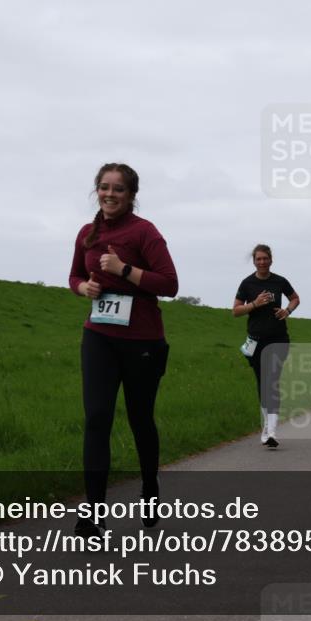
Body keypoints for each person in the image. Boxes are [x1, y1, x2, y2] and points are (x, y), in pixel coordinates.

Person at [69, 163, 178, 534]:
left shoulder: (145, 233)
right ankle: (94, 515)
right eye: (104, 187)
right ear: (96, 191)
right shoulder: (87, 233)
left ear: (131, 195)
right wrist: (84, 288)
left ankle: (149, 487)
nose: (109, 194)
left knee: (139, 419)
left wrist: (123, 269)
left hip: (142, 341)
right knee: (97, 419)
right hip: (99, 335)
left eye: (118, 189)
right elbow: (74, 275)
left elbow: (169, 283)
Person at [233, 244, 300, 448]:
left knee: (272, 381)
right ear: (254, 261)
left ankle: (272, 431)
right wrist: (254, 304)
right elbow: (235, 311)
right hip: (255, 341)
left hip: (278, 339)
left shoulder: (280, 281)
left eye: (265, 258)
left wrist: (287, 311)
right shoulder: (247, 283)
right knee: (263, 382)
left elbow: (295, 298)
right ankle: (266, 427)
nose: (262, 262)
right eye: (258, 259)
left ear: (271, 260)